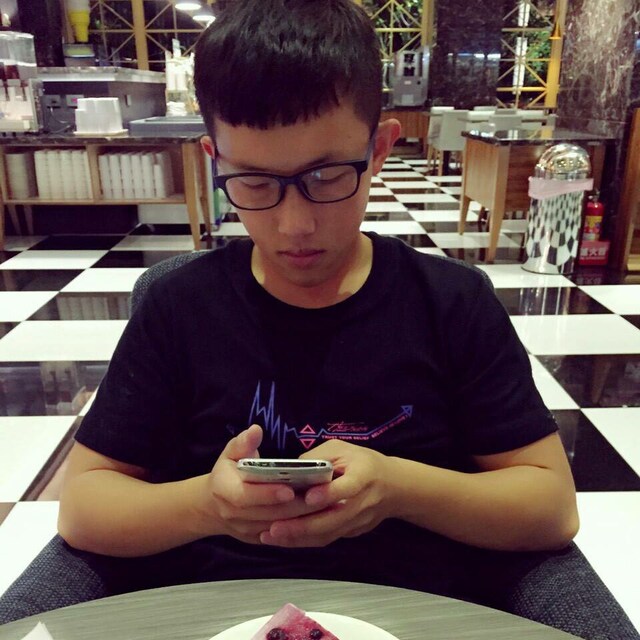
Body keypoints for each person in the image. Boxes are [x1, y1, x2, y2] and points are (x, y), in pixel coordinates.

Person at [41, 0, 610, 634]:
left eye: (327, 175)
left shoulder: (450, 303)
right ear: (214, 160)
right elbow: (84, 510)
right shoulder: (180, 308)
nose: (295, 225)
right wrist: (207, 504)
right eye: (255, 183)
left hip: (420, 613)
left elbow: (550, 509)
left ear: (380, 148)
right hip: (217, 613)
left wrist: (397, 488)